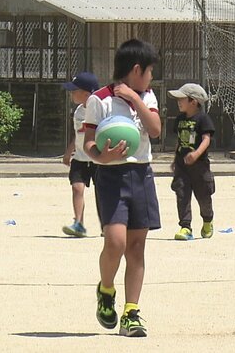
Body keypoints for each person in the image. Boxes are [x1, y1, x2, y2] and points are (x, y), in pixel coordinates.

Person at [83, 39, 162, 338]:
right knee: (115, 242)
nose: (151, 77)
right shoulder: (99, 100)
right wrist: (103, 156)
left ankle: (132, 312)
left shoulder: (148, 97)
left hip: (141, 175)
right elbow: (88, 143)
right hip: (110, 177)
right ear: (137, 69)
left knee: (137, 247)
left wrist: (135, 98)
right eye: (150, 71)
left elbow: (154, 130)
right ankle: (106, 289)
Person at [167, 83, 216, 240]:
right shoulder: (180, 119)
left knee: (203, 195)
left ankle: (207, 220)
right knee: (182, 193)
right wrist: (175, 159)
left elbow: (206, 139)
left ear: (193, 101)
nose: (178, 102)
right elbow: (179, 141)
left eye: (181, 99)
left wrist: (196, 154)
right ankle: (185, 227)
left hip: (199, 166)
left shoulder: (203, 118)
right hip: (182, 165)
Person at [61, 72, 100, 238]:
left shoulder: (100, 110)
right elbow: (78, 134)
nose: (71, 93)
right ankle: (79, 223)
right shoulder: (78, 112)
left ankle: (107, 224)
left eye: (74, 90)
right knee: (77, 188)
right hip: (80, 158)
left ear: (87, 93)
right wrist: (69, 152)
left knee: (103, 192)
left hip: (98, 157)